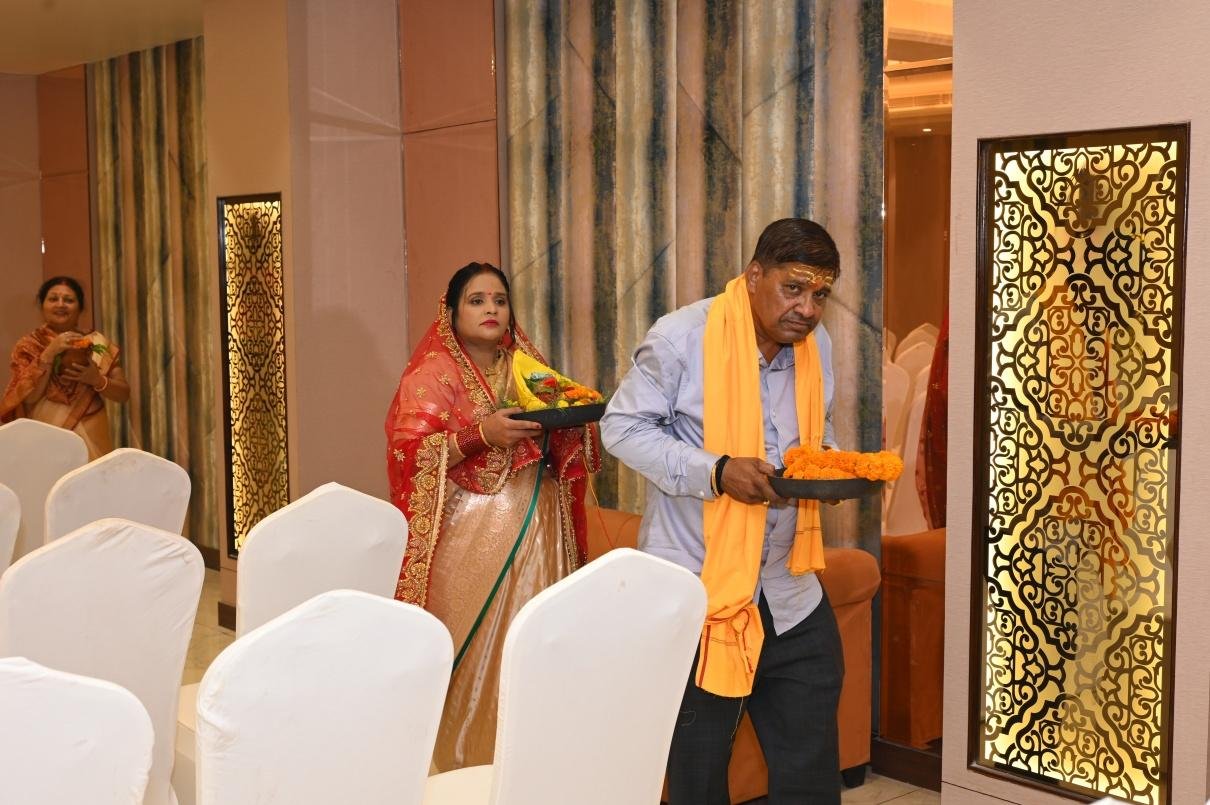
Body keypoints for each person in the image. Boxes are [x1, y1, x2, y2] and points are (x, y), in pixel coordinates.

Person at [601, 218, 846, 804]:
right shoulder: (682, 337)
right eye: (794, 288)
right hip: (700, 592)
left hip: (789, 590)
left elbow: (818, 430)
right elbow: (621, 428)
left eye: (820, 295)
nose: (808, 310)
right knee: (699, 777)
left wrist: (828, 471)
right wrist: (716, 471)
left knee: (811, 775)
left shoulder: (816, 347)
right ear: (755, 275)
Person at [385, 262, 601, 771]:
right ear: (451, 311)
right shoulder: (433, 374)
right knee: (473, 641)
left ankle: (532, 766)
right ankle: (461, 765)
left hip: (541, 525)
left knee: (534, 638)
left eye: (500, 301)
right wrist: (479, 435)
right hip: (468, 530)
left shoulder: (527, 365)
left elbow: (567, 425)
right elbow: (407, 452)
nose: (491, 310)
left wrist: (571, 423)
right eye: (477, 300)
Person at [1, 276, 130, 459]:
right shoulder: (29, 345)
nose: (60, 304)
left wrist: (97, 380)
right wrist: (49, 353)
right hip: (45, 434)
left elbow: (123, 394)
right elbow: (29, 399)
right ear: (42, 305)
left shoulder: (97, 343)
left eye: (69, 300)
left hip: (91, 429)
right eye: (53, 299)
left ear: (80, 308)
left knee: (92, 476)